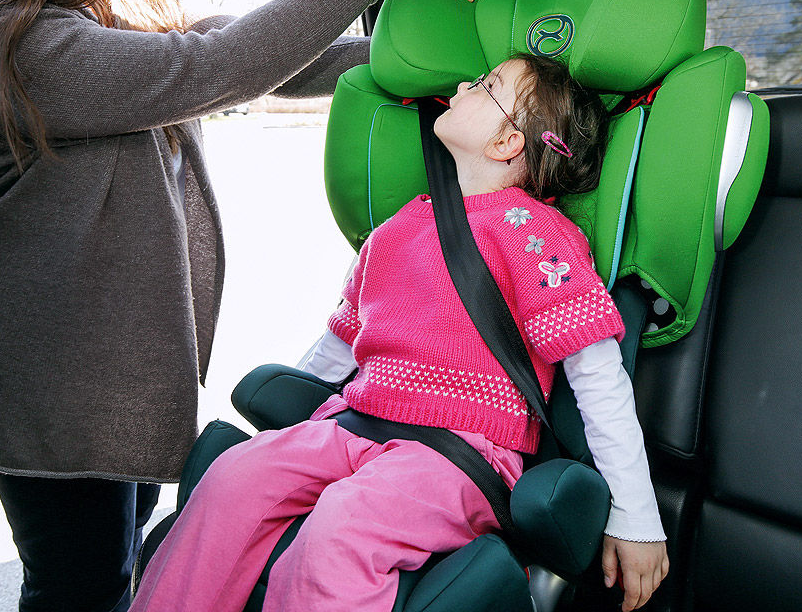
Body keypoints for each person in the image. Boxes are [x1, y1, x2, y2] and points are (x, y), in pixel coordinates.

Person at [0, 0, 478, 612]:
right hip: (49, 390)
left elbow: (230, 48)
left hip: (97, 385)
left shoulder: (78, 26)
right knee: (78, 588)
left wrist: (416, 65)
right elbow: (208, 68)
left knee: (110, 568)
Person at [131, 53, 669, 612]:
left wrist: (636, 517)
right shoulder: (398, 227)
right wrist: (296, 410)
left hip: (459, 450)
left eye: (487, 86)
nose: (463, 81)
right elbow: (341, 344)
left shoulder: (533, 233)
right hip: (353, 424)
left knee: (342, 529)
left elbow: (597, 375)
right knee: (231, 480)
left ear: (509, 142)